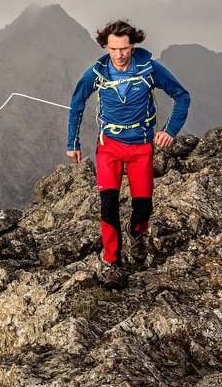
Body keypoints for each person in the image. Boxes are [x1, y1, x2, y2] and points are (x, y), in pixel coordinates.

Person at [65, 20, 191, 288]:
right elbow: (77, 103)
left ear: (133, 46)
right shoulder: (97, 73)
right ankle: (114, 264)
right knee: (108, 204)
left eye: (124, 48)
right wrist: (72, 142)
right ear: (105, 47)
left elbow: (182, 96)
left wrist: (170, 130)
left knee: (143, 207)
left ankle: (137, 234)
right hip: (108, 146)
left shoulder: (149, 69)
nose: (119, 54)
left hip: (141, 146)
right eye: (113, 49)